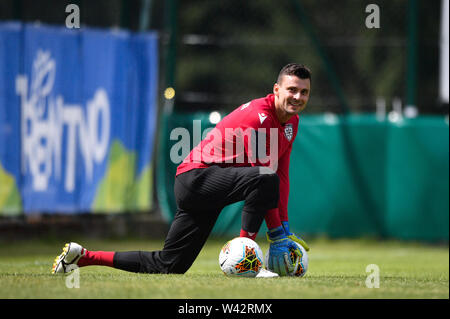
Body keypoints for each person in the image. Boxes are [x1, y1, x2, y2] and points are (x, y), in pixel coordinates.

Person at [52, 63, 311, 277]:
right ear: (276, 89)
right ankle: (249, 260)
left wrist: (284, 226)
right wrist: (275, 234)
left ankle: (83, 257)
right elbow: (263, 176)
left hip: (212, 187)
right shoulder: (259, 115)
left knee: (170, 265)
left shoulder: (291, 123)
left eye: (304, 92)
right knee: (263, 178)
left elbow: (281, 175)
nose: (298, 97)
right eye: (292, 90)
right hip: (196, 178)